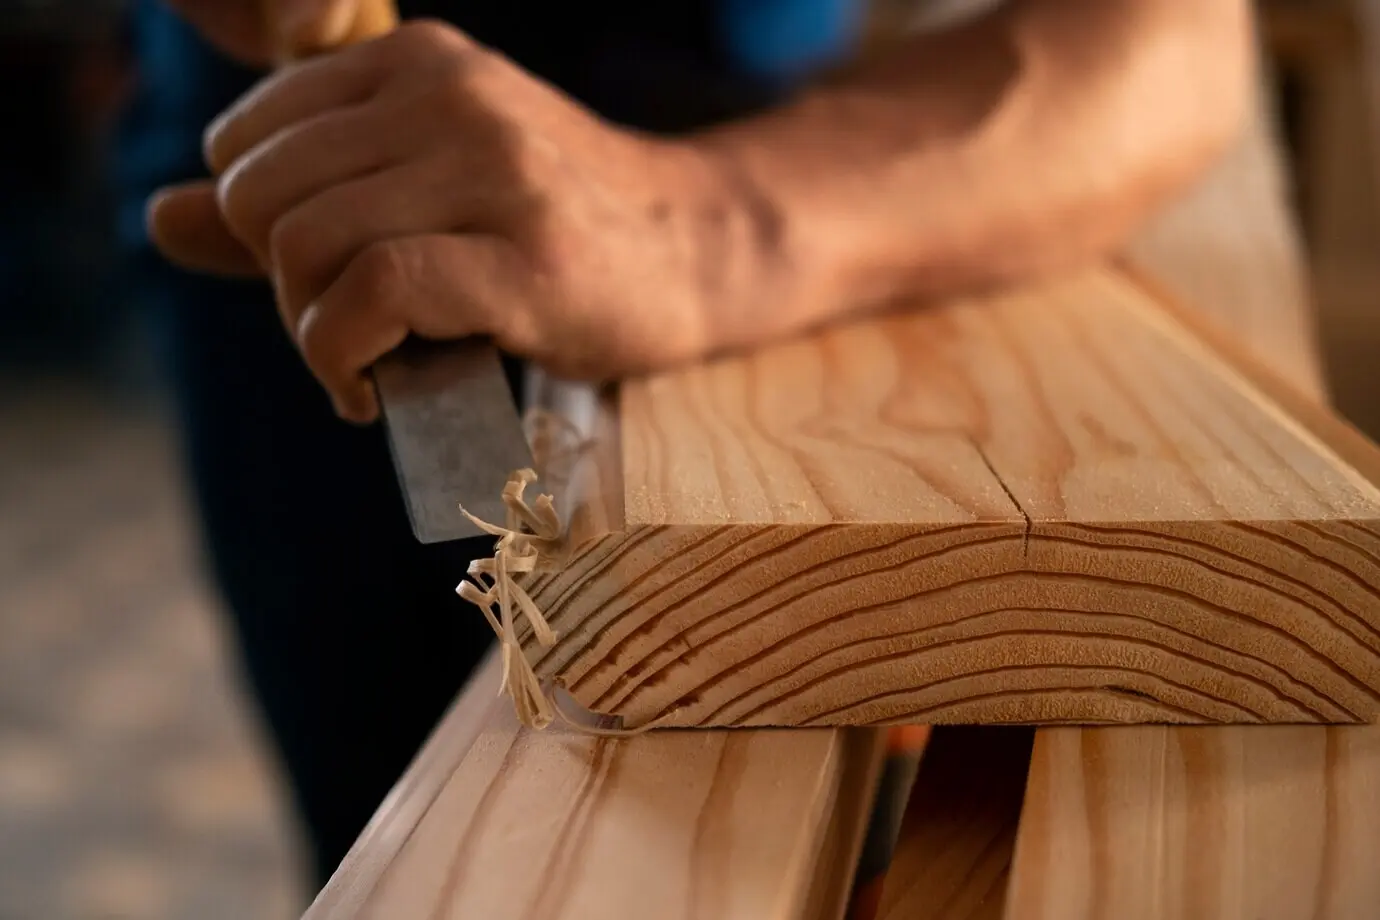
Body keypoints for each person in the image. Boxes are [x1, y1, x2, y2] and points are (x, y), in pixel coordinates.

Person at [115, 0, 1252, 889]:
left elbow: (1178, 40)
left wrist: (714, 224)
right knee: (394, 838)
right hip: (311, 187)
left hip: (754, 148)